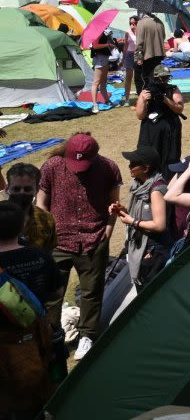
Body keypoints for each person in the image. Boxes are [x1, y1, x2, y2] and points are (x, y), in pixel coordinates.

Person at [36, 133, 121, 361]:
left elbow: (115, 203)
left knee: (91, 292)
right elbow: (41, 202)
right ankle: (53, 335)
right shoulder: (52, 166)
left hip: (93, 240)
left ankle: (87, 335)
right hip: (58, 241)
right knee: (53, 293)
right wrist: (46, 233)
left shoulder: (108, 168)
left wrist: (108, 231)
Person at [0, 200, 61, 419]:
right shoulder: (41, 256)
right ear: (22, 226)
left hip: (3, 346)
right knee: (38, 396)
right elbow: (55, 293)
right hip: (35, 338)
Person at [110, 146, 171, 288]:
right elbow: (145, 214)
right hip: (143, 247)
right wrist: (123, 211)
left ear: (146, 168)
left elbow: (159, 224)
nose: (129, 166)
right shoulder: (139, 186)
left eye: (133, 164)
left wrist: (133, 221)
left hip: (153, 251)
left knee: (149, 291)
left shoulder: (156, 190)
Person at [136, 64, 185, 173]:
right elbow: (140, 115)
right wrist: (144, 100)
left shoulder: (173, 90)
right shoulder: (146, 92)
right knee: (149, 157)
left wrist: (164, 99)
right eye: (161, 78)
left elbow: (179, 109)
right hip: (151, 130)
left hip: (171, 129)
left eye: (166, 77)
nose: (164, 80)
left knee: (171, 156)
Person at [5, 163, 55, 254]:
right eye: (16, 189)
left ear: (37, 190)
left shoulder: (46, 219)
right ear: (7, 189)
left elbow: (48, 252)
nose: (21, 193)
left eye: (27, 189)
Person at [134, 11, 166, 95]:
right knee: (157, 76)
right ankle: (158, 96)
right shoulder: (159, 21)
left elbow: (139, 42)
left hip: (148, 54)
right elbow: (163, 36)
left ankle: (149, 99)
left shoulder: (141, 22)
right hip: (159, 53)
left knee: (146, 78)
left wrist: (138, 57)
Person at [87, 27, 115, 114]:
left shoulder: (103, 32)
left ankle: (107, 100)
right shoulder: (97, 32)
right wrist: (107, 45)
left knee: (103, 81)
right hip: (99, 59)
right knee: (96, 82)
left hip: (104, 58)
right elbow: (95, 46)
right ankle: (95, 104)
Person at [121, 17, 138, 107]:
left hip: (138, 55)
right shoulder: (127, 32)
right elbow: (125, 45)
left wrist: (136, 31)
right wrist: (123, 58)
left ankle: (140, 97)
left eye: (134, 23)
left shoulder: (140, 32)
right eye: (131, 23)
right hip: (129, 55)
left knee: (139, 76)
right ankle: (127, 99)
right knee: (128, 77)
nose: (132, 25)